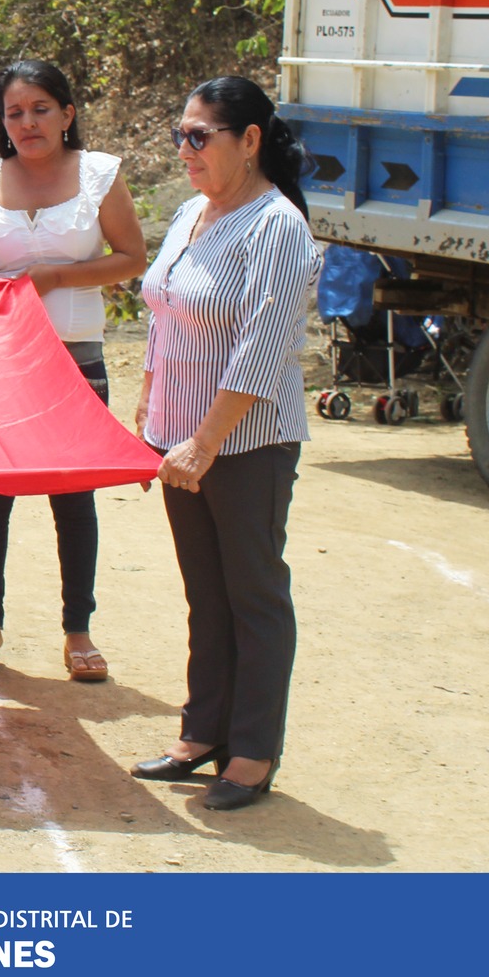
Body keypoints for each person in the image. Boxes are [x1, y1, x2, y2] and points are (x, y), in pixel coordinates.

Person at [130, 75, 316, 811]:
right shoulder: (190, 213)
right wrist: (154, 413)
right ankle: (201, 732)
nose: (186, 149)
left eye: (200, 136)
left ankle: (252, 752)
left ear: (250, 140)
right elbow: (163, 314)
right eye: (181, 135)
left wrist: (205, 443)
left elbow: (262, 347)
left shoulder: (277, 225)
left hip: (244, 446)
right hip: (180, 440)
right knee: (205, 594)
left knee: (253, 595)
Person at [0, 60, 147, 682]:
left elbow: (131, 258)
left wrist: (56, 277)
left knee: (73, 495)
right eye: (14, 112)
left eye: (40, 109)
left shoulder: (99, 175)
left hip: (77, 357)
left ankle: (78, 631)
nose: (27, 123)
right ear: (1, 122)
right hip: (4, 361)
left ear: (68, 113)